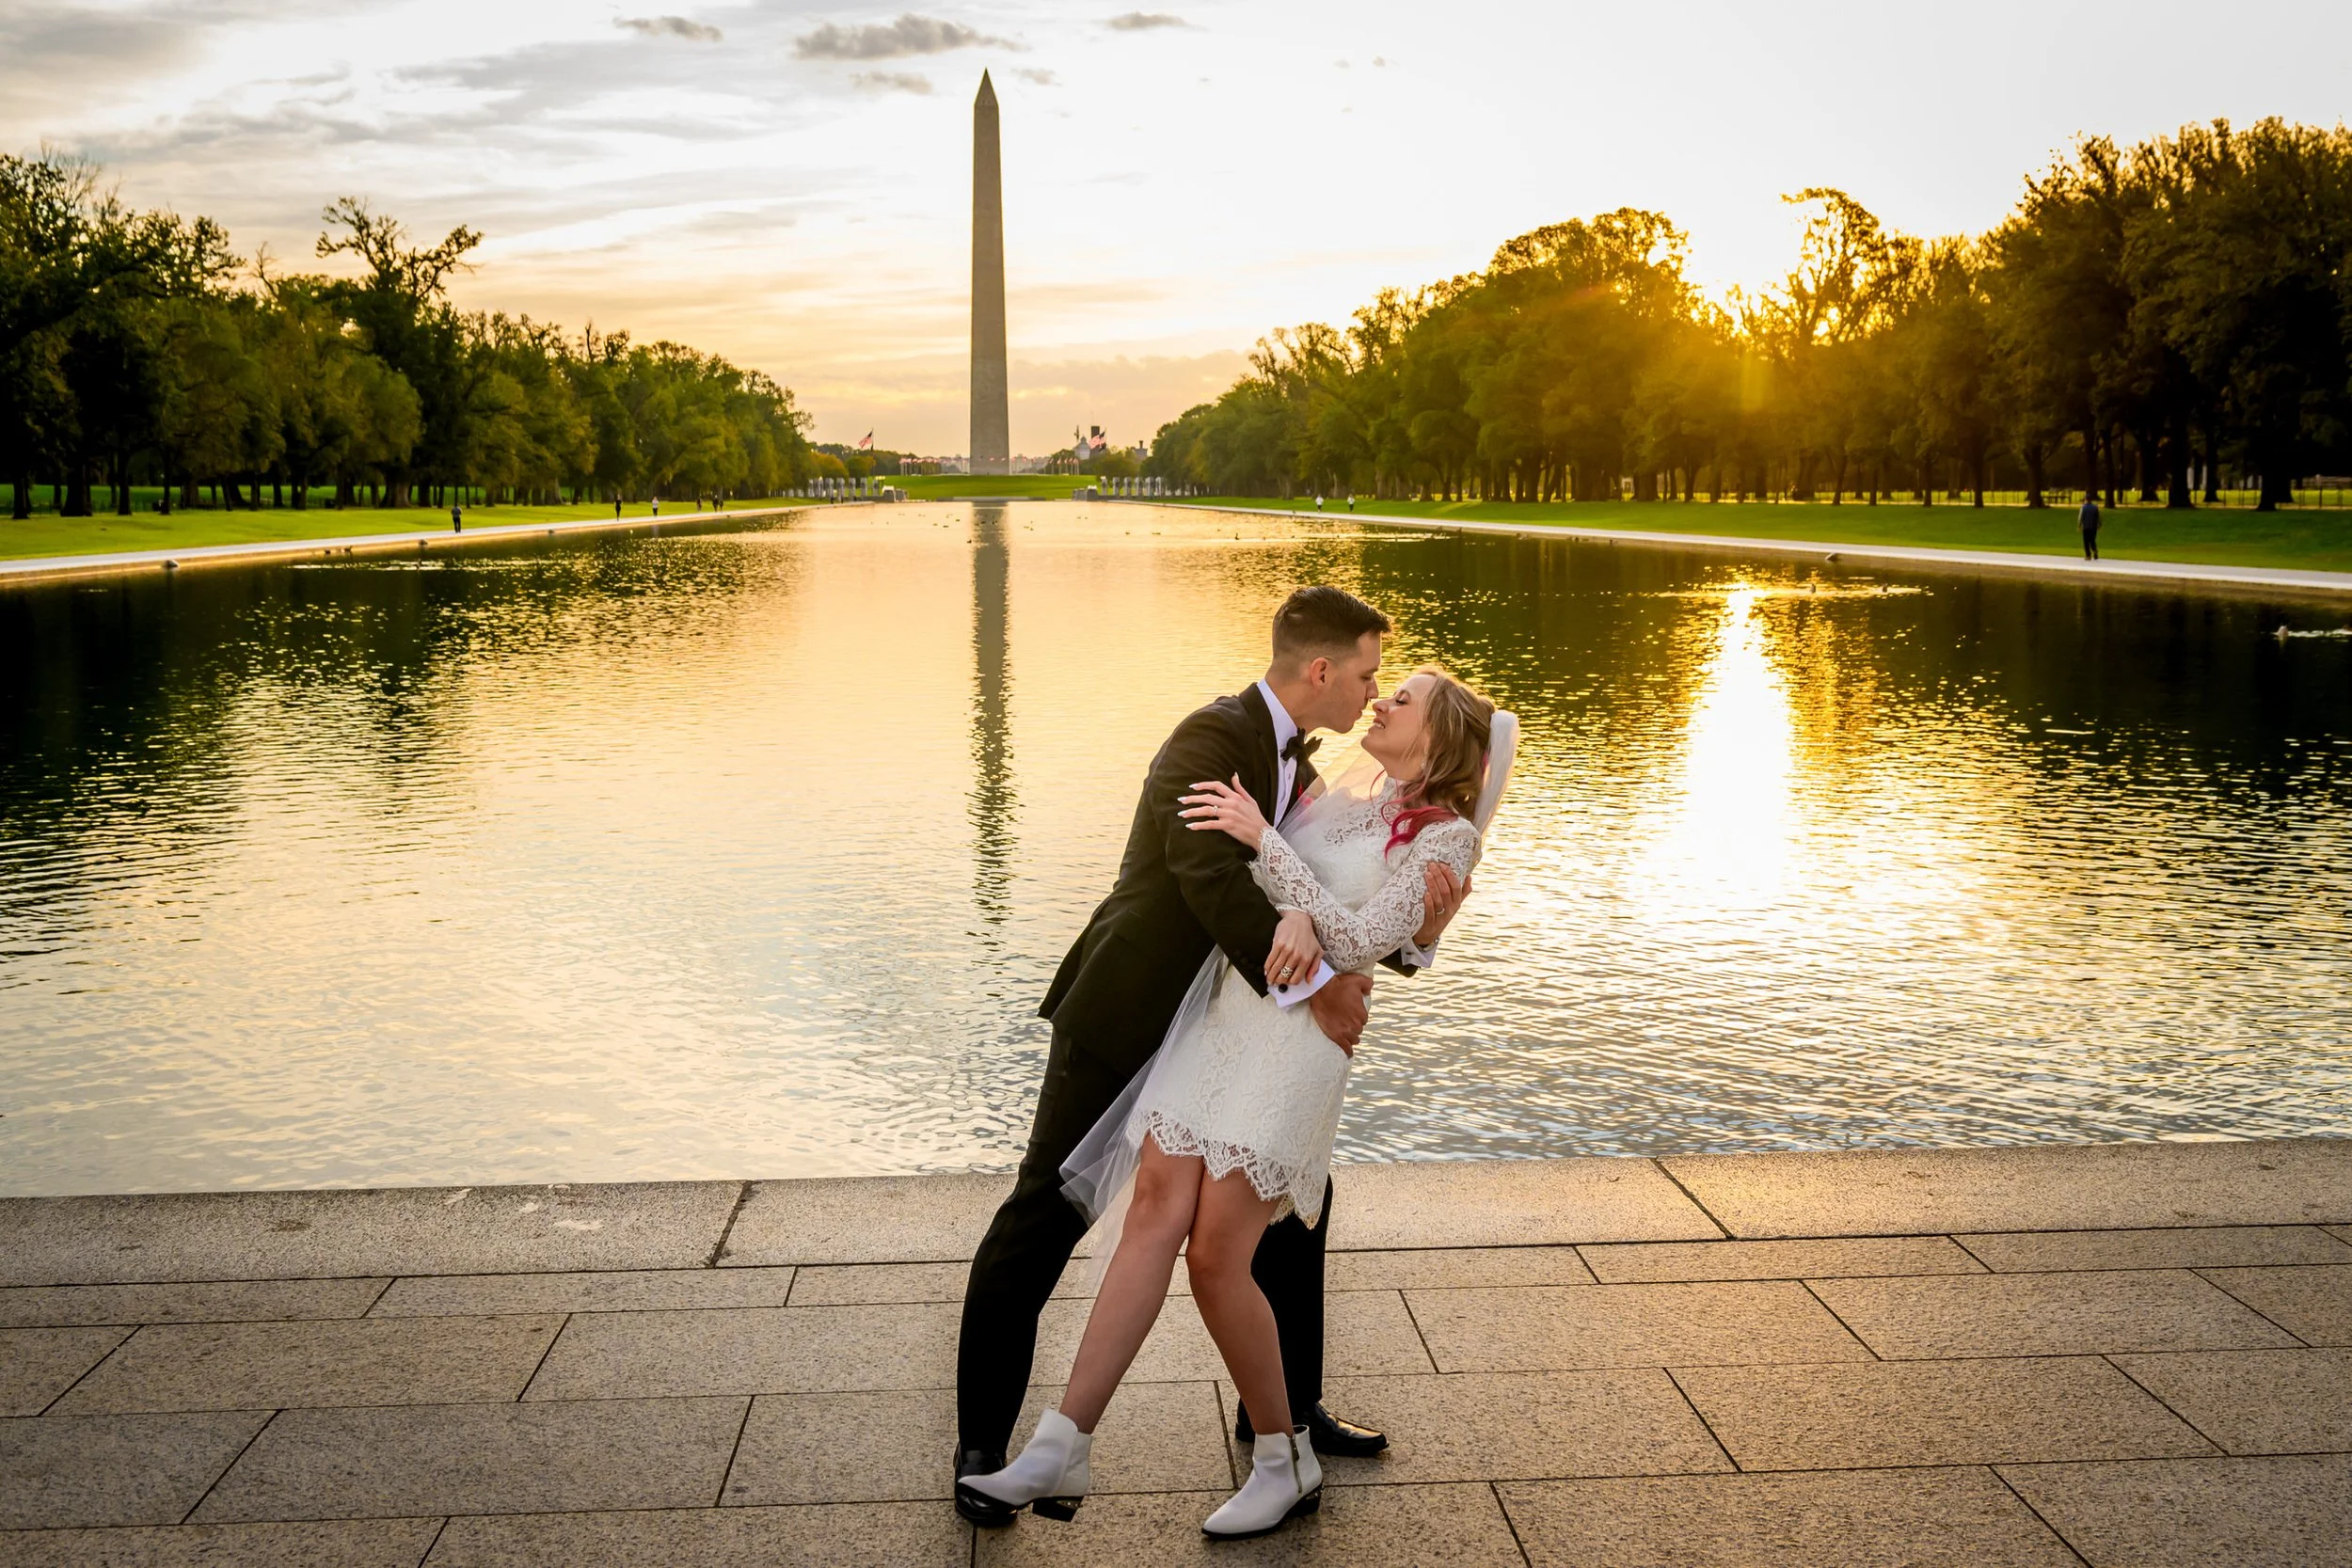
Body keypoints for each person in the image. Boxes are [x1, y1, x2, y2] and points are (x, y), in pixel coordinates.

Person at [952, 588, 1472, 1529]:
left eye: (1396, 692)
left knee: (1275, 1223)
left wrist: (1374, 951)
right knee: (1051, 1209)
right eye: (1368, 678)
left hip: (1259, 1029)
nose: (1373, 696)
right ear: (1321, 670)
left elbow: (1373, 922)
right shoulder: (1213, 742)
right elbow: (1205, 879)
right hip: (1140, 1007)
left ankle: (1283, 1420)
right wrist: (1322, 974)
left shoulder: (1321, 783)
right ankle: (1002, 1441)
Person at [2078, 493, 2101, 561]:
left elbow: (2080, 517)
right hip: (2094, 527)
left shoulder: (2083, 508)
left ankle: (2088, 555)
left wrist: (2079, 525)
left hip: (2086, 527)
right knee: (2092, 540)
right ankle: (2095, 550)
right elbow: (2098, 517)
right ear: (2091, 500)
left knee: (2086, 541)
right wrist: (2099, 525)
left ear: (2086, 499)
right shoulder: (2095, 507)